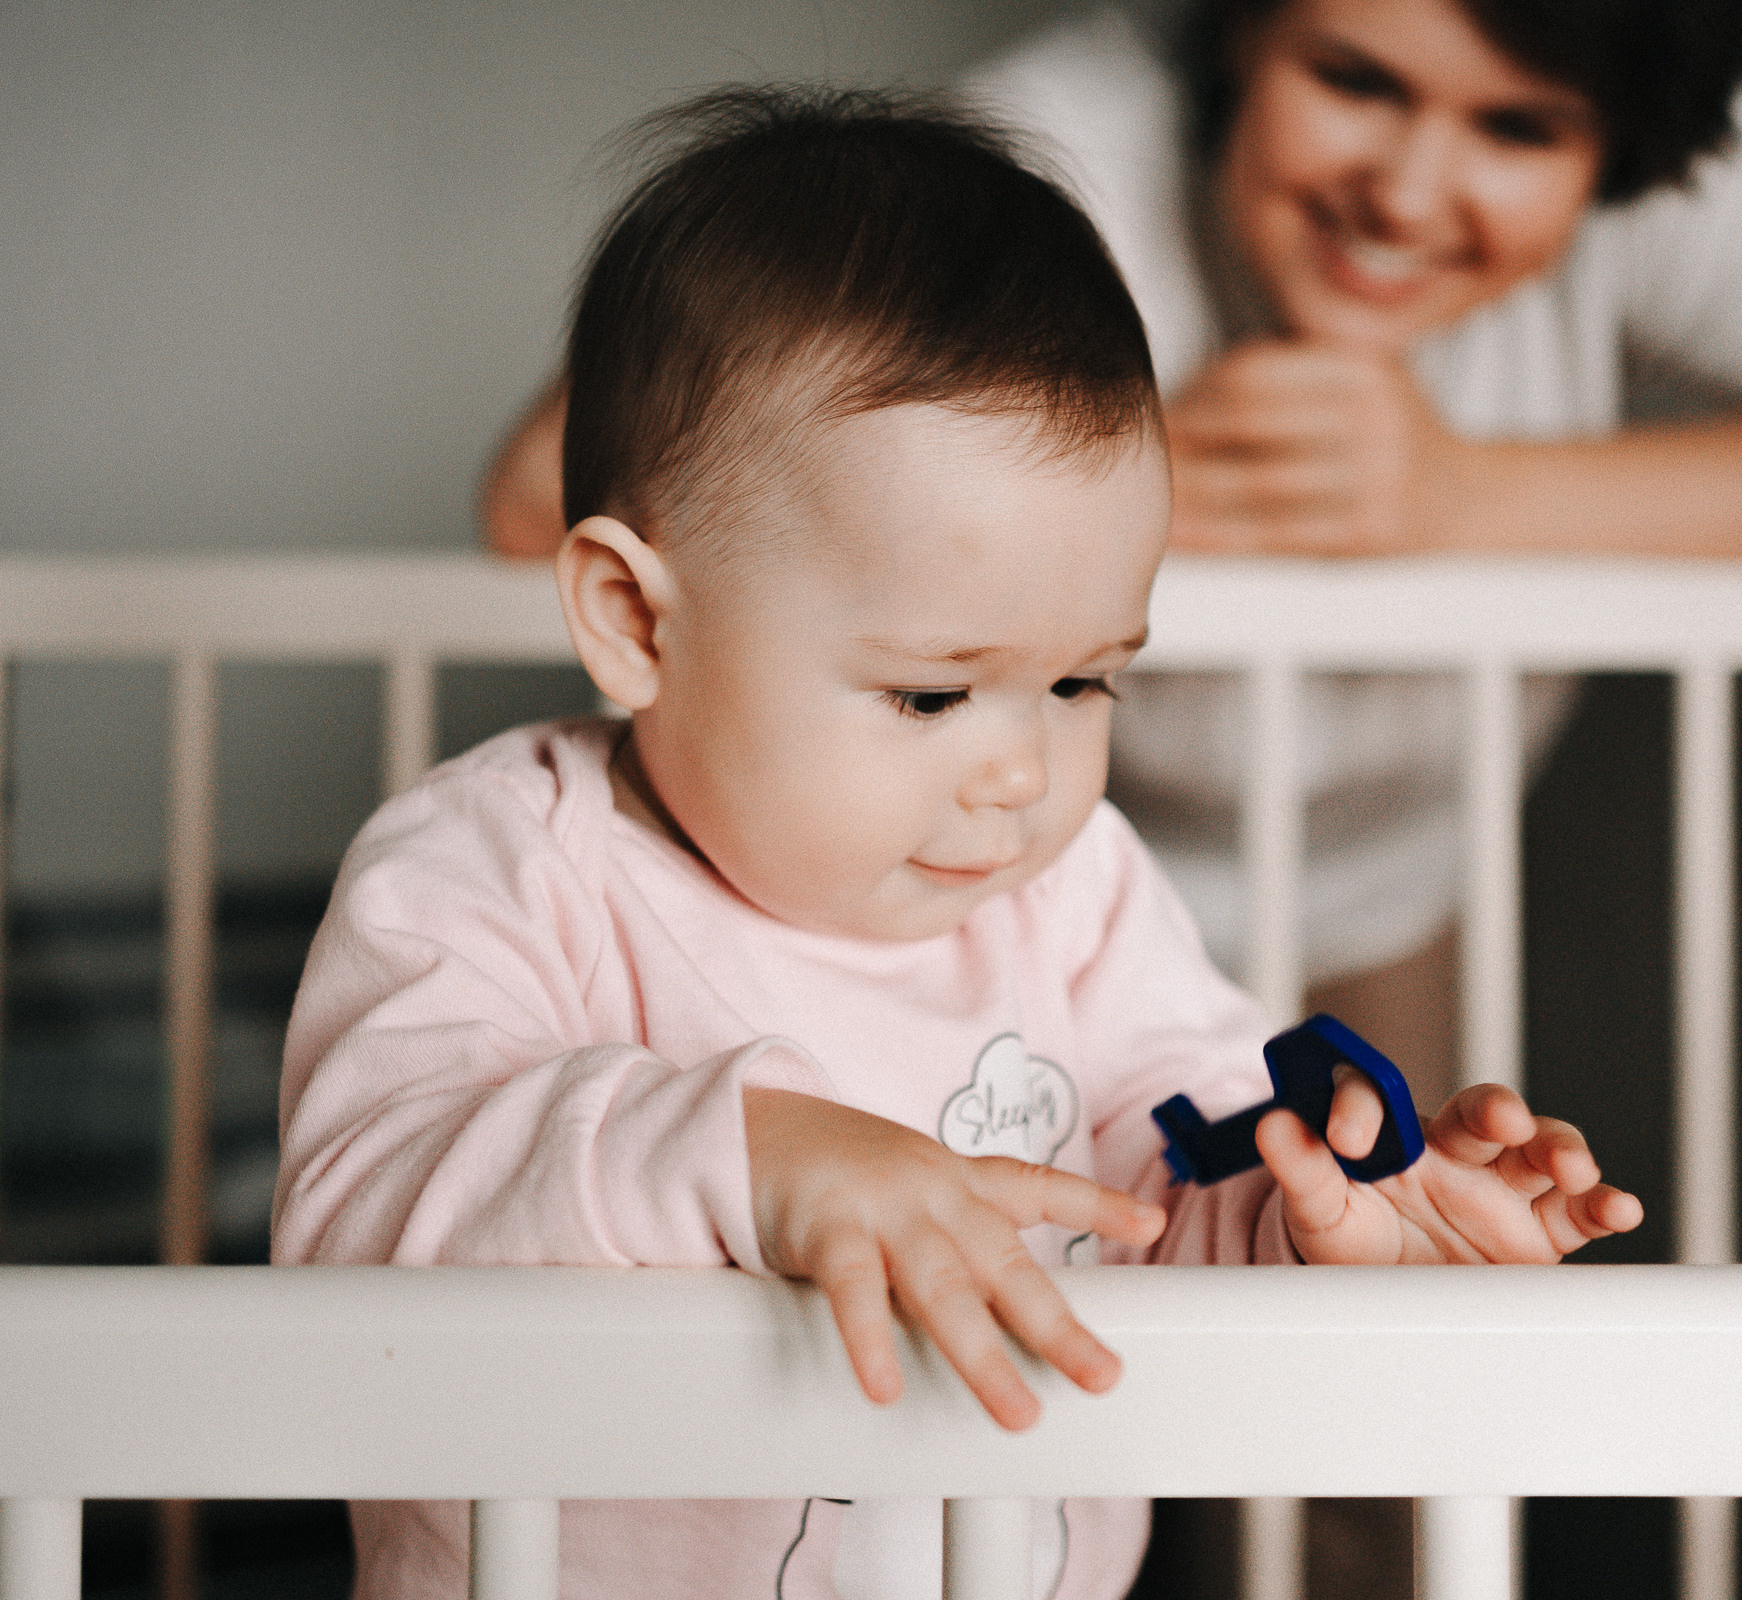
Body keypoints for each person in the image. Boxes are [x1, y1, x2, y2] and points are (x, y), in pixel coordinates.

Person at [277, 87, 1641, 1600]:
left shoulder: (1078, 900)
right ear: (634, 619)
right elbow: (364, 1211)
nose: (1020, 771)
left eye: (1082, 681)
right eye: (931, 691)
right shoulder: (498, 867)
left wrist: (1329, 1218)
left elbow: (1164, 1198)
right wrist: (745, 1150)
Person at [478, 0, 1742, 1108]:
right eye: (1353, 81)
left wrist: (1464, 499)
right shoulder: (1056, 149)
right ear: (1234, 42)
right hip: (999, 879)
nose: (1412, 189)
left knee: (1366, 1385)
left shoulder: (1645, 113)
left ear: (1610, 156)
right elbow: (542, 483)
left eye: (1517, 132)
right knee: (1002, 1333)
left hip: (1391, 872)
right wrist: (1106, 488)